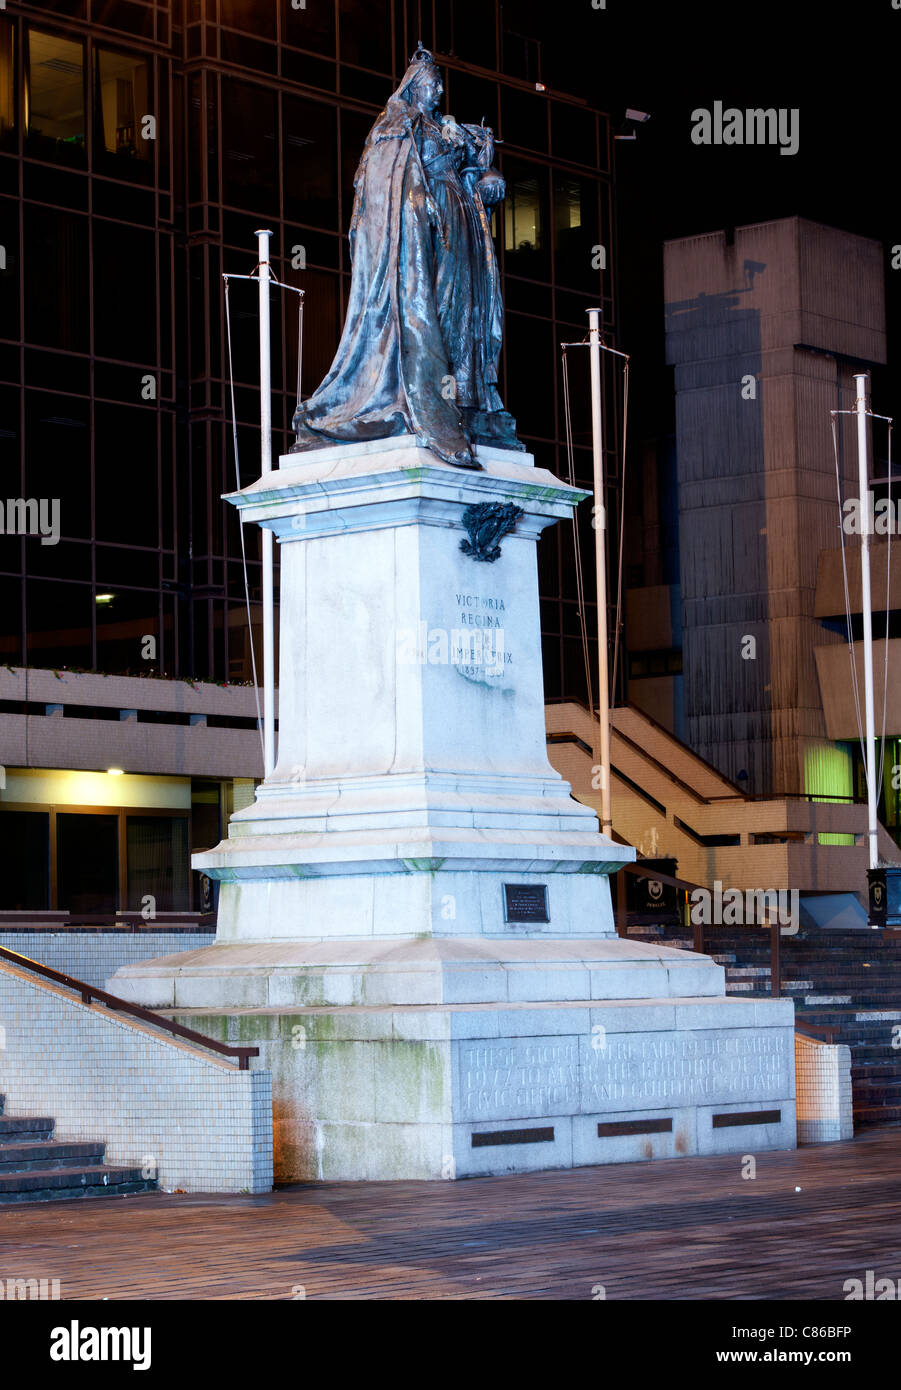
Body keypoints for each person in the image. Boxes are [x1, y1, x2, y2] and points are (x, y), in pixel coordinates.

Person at [290, 44, 524, 467]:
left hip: (461, 231)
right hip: (424, 234)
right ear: (415, 86)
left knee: (461, 312)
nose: (438, 94)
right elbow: (384, 182)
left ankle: (466, 397)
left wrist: (485, 175)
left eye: (440, 87)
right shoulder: (397, 125)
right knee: (431, 307)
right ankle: (427, 396)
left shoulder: (444, 129)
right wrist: (418, 203)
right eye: (433, 85)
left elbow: (472, 174)